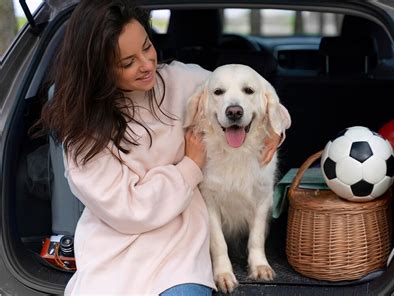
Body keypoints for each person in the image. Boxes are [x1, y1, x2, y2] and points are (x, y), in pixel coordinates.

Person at [32, 0, 290, 295]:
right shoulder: (83, 137)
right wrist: (190, 167)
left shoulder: (183, 80)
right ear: (99, 69)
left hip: (183, 246)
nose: (146, 65)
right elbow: (130, 210)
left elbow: (251, 95)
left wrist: (275, 131)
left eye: (147, 46)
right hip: (118, 249)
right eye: (127, 62)